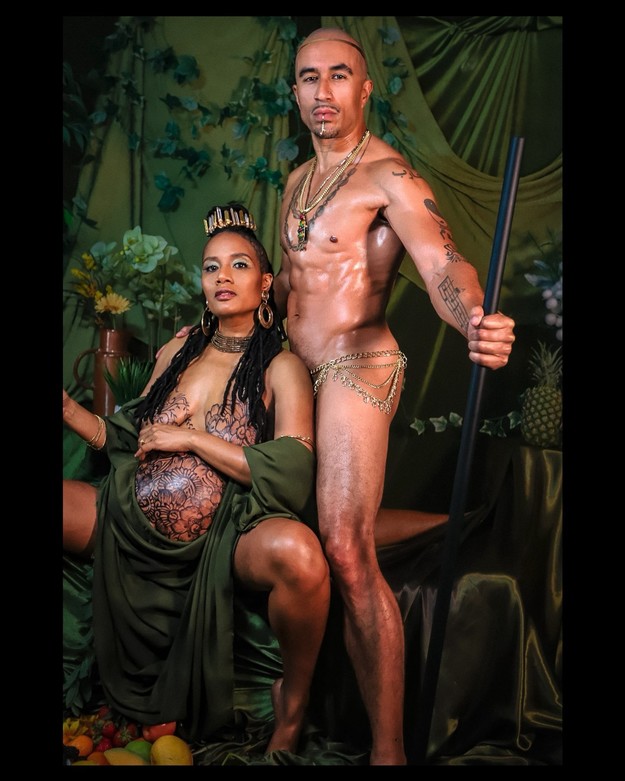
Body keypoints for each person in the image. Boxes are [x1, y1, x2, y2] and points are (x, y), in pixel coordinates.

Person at [271, 27, 517, 765]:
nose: (323, 91)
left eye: (338, 75)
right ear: (295, 92)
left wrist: (473, 318)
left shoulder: (388, 176)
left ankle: (388, 753)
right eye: (308, 77)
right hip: (295, 371)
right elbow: (290, 288)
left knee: (346, 548)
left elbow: (443, 262)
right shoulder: (296, 181)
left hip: (356, 363)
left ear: (365, 87)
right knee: (295, 533)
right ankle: (295, 708)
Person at [62, 204, 331, 756]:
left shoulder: (281, 367)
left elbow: (293, 467)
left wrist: (191, 440)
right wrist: (67, 409)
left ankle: (294, 704)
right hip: (126, 515)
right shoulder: (175, 353)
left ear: (265, 284)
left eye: (238, 265)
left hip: (223, 535)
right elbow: (123, 438)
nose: (223, 276)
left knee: (302, 556)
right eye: (211, 267)